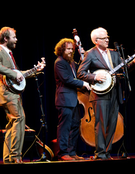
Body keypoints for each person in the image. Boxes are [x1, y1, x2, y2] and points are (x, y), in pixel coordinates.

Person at [77, 27, 135, 159]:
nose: (107, 39)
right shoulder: (91, 54)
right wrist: (95, 78)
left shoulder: (114, 53)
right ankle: (100, 153)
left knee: (113, 123)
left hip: (115, 91)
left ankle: (106, 152)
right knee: (101, 123)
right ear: (96, 40)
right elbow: (80, 73)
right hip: (100, 94)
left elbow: (124, 70)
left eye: (107, 37)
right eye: (104, 38)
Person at [0, 27, 45, 163]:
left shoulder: (8, 54)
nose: (16, 40)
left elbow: (19, 75)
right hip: (7, 93)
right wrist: (14, 74)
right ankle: (15, 157)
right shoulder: (0, 51)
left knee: (13, 123)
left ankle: (8, 158)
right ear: (6, 38)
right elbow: (14, 74)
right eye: (14, 37)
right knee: (19, 119)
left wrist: (36, 70)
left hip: (12, 93)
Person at [54, 38, 91, 161]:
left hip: (73, 100)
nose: (70, 51)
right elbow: (67, 79)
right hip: (64, 100)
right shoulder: (59, 62)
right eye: (68, 49)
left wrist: (84, 57)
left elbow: (80, 69)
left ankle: (71, 152)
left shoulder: (71, 62)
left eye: (72, 49)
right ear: (62, 50)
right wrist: (83, 84)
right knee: (65, 127)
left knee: (75, 125)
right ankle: (62, 153)